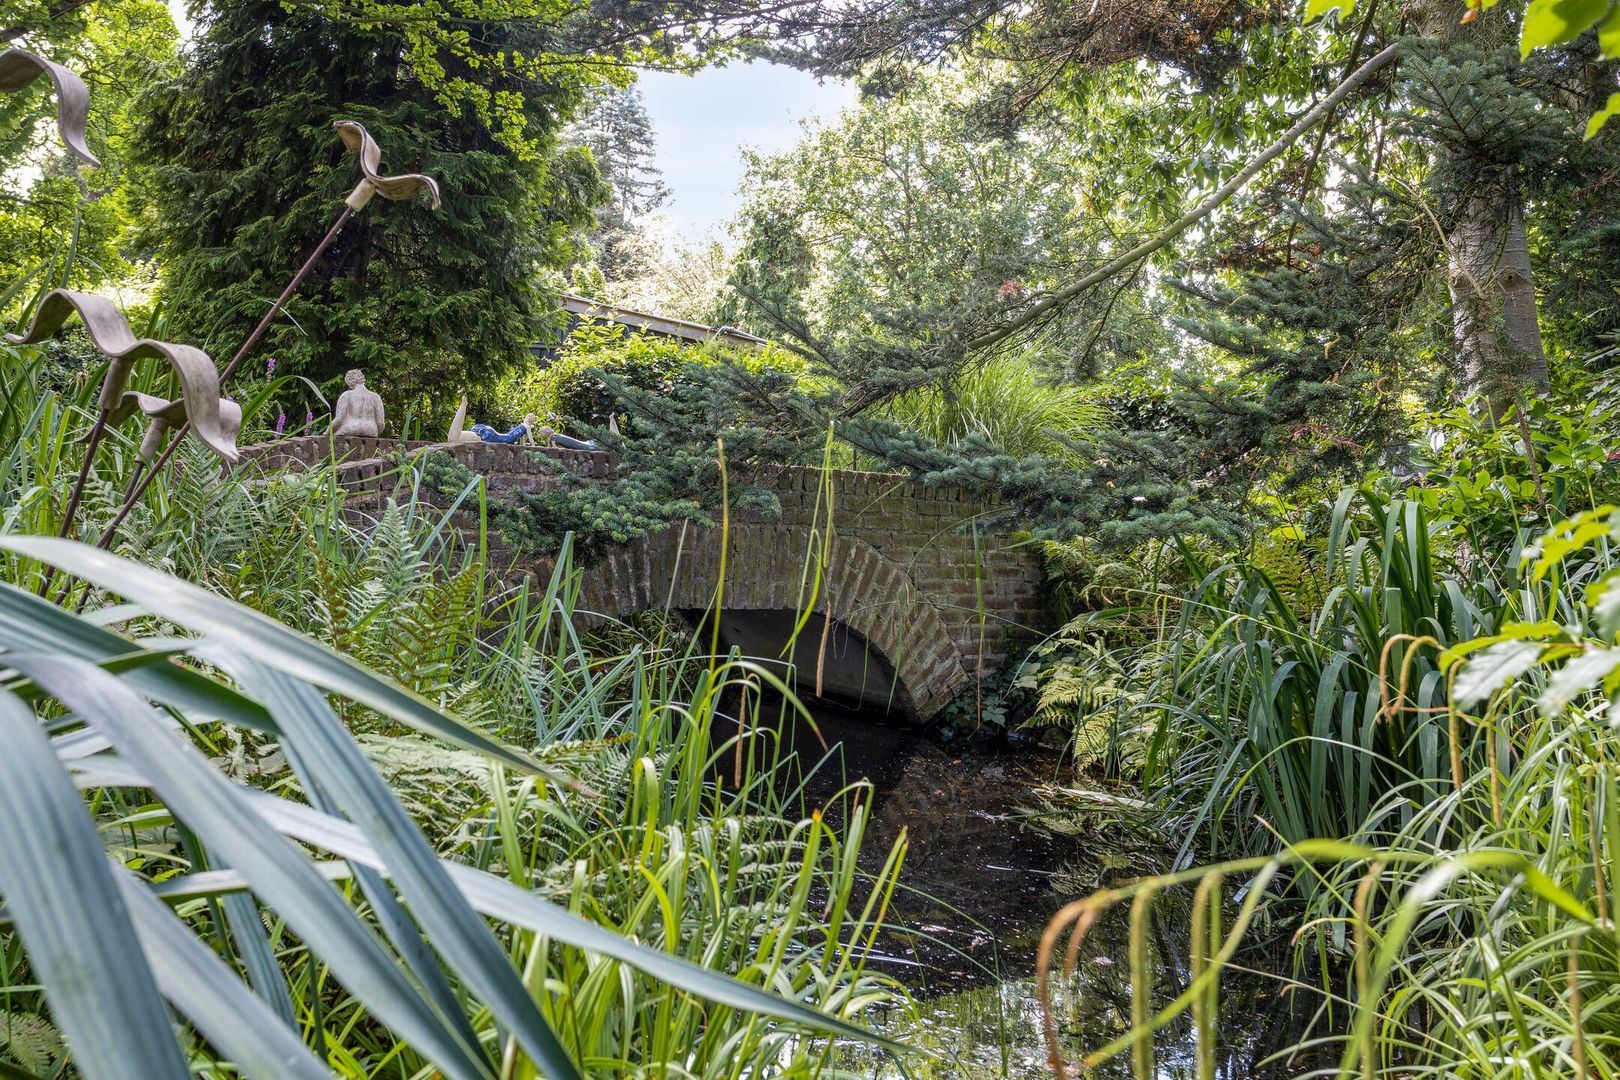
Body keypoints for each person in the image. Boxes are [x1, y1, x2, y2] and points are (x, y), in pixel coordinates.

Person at [447, 396, 602, 449]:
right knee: (454, 438)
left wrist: (528, 444)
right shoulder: (525, 426)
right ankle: (463, 407)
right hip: (489, 435)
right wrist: (533, 445)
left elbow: (522, 439)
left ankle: (463, 406)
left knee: (454, 438)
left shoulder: (524, 427)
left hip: (482, 431)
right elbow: (523, 438)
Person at [331, 369, 385, 437]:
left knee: (335, 435)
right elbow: (381, 423)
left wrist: (327, 432)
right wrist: (376, 432)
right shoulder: (376, 397)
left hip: (352, 428)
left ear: (349, 381)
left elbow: (339, 419)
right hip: (371, 429)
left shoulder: (347, 395)